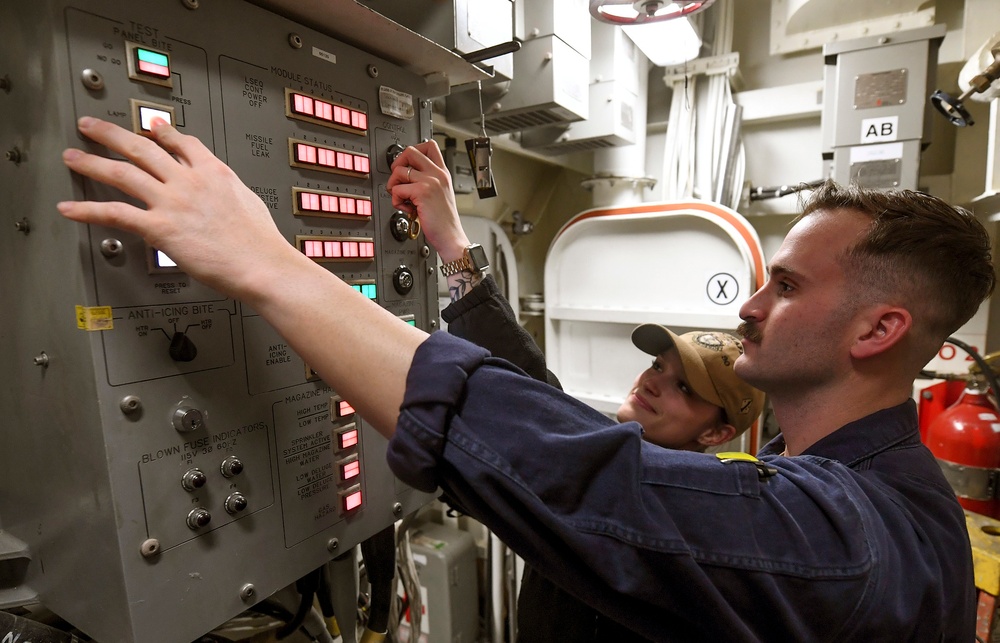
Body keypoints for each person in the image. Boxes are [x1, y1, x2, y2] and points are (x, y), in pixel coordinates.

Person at [58, 117, 993, 641]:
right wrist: (457, 255)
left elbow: (583, 472)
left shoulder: (848, 533)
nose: (748, 306)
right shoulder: (859, 484)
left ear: (881, 327)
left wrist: (265, 263)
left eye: (785, 286)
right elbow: (552, 421)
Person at [388, 141, 766, 641]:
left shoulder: (687, 512)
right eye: (658, 364)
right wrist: (454, 246)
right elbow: (528, 379)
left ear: (717, 432)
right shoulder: (601, 456)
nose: (652, 380)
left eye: (684, 388)